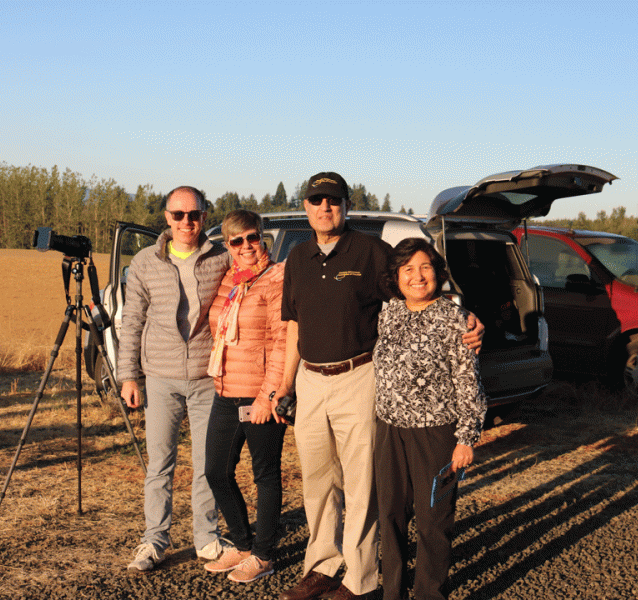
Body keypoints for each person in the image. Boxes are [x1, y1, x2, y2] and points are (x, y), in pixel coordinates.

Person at [275, 172, 483, 600]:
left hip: (357, 377)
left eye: (333, 199)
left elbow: (417, 281)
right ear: (307, 206)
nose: (325, 207)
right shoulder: (296, 257)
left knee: (362, 485)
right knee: (316, 482)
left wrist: (469, 318)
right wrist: (284, 384)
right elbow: (294, 325)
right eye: (316, 199)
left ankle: (360, 578)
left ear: (346, 205)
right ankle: (323, 564)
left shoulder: (371, 251)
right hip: (310, 380)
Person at [119, 186, 230, 572]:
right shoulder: (145, 261)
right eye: (179, 215)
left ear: (204, 216)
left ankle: (207, 539)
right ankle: (154, 541)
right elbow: (131, 320)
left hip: (206, 376)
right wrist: (128, 376)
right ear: (166, 217)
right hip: (161, 377)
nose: (187, 222)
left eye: (194, 215)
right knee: (160, 465)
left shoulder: (222, 258)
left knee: (206, 464)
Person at [373, 238, 488, 600]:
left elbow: (469, 381)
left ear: (438, 272)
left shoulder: (455, 318)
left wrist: (467, 437)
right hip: (390, 430)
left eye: (425, 267)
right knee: (390, 516)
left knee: (433, 520)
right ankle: (392, 591)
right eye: (408, 269)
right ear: (396, 276)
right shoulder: (388, 312)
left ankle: (429, 594)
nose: (417, 276)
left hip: (436, 433)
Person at [203, 210, 288, 583]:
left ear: (262, 237)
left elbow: (282, 340)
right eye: (237, 241)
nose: (246, 247)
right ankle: (240, 542)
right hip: (225, 390)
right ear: (228, 245)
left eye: (252, 238)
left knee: (265, 474)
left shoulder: (277, 277)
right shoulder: (227, 279)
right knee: (216, 471)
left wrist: (267, 396)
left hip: (258, 394)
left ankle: (264, 554)